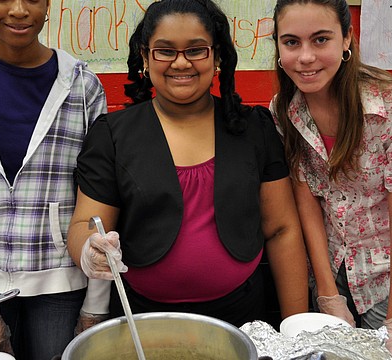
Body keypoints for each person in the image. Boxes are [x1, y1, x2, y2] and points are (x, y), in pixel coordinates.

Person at [66, 0, 309, 328]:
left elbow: (282, 229)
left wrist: (296, 328)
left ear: (217, 56)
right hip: (145, 320)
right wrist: (90, 251)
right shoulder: (112, 134)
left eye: (196, 50)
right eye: (165, 51)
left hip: (243, 315)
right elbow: (86, 224)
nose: (181, 63)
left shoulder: (254, 129)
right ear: (144, 57)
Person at [0, 0, 110, 357]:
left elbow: (101, 195)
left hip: (62, 282)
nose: (17, 10)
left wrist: (97, 305)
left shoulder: (81, 84)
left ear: (47, 4)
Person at [269, 0, 392, 359]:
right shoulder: (284, 109)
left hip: (388, 274)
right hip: (329, 262)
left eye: (321, 40)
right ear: (278, 46)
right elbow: (305, 200)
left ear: (347, 40)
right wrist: (327, 293)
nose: (306, 57)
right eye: (291, 42)